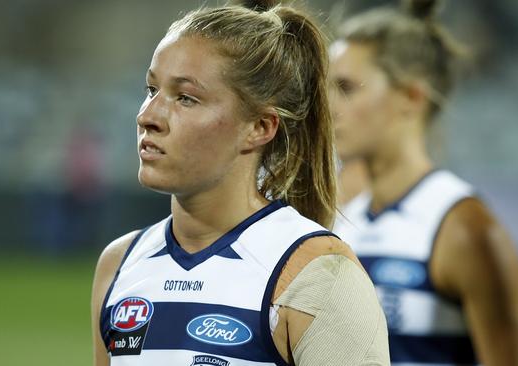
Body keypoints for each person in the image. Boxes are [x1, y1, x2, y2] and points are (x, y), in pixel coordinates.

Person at [91, 3, 390, 366]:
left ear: (260, 127)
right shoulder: (119, 265)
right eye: (151, 89)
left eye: (186, 98)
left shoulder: (317, 275)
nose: (147, 116)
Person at [330, 0, 518, 365]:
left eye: (347, 88)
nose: (329, 107)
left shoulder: (463, 227)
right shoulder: (347, 222)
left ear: (411, 97)